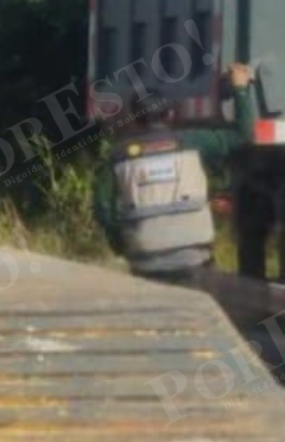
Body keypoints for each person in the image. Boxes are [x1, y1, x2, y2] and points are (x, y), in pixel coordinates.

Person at [93, 62, 257, 281]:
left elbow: (103, 208)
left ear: (135, 117)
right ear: (170, 114)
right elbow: (243, 135)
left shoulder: (119, 156)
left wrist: (121, 245)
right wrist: (240, 89)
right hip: (195, 257)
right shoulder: (194, 142)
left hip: (145, 258)